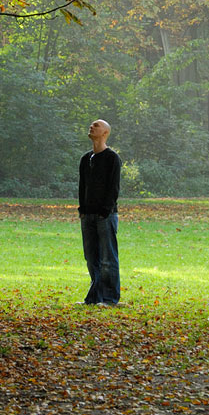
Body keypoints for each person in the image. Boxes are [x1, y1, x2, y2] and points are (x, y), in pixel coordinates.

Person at [78, 118, 121, 306]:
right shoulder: (85, 159)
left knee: (107, 258)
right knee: (91, 258)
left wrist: (106, 210)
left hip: (105, 215)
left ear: (105, 133)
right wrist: (82, 209)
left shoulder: (112, 158)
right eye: (91, 125)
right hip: (87, 215)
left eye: (97, 125)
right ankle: (94, 297)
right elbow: (82, 186)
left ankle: (110, 298)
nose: (92, 127)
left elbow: (114, 187)